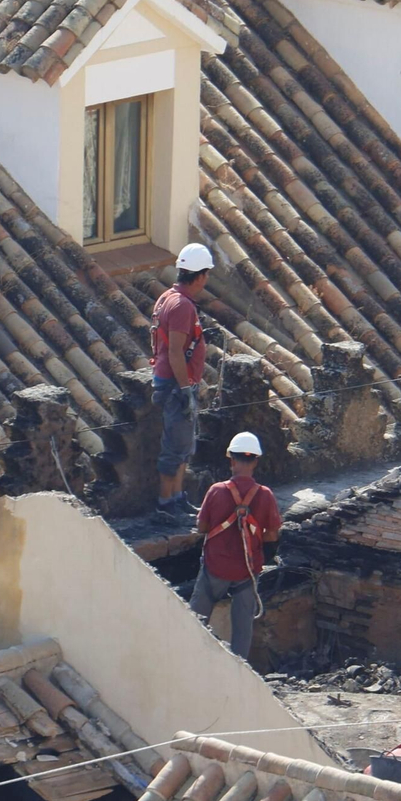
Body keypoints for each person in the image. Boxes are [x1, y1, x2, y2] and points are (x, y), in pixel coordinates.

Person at [191, 431, 281, 659]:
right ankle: (240, 671)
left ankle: (190, 660)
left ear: (232, 459)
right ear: (256, 461)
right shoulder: (266, 495)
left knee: (194, 621)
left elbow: (202, 528)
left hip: (215, 568)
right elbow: (272, 535)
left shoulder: (216, 491)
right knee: (243, 631)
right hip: (247, 573)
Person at [153, 243, 214, 518]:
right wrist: (186, 389)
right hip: (176, 385)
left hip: (173, 382)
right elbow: (176, 351)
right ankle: (166, 504)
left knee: (182, 446)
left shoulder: (169, 297)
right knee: (174, 447)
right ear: (199, 276)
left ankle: (177, 497)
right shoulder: (181, 306)